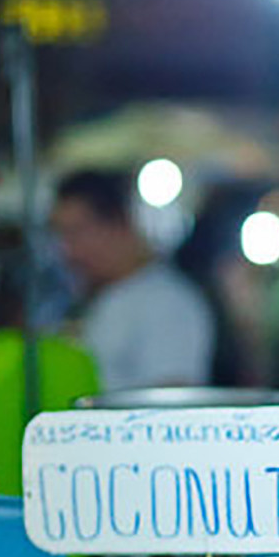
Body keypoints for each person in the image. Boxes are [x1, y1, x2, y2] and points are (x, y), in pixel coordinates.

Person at [50, 168, 216, 392]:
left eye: (76, 232)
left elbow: (171, 396)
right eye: (61, 235)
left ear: (120, 224)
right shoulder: (102, 298)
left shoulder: (165, 302)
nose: (68, 251)